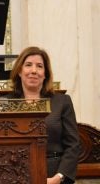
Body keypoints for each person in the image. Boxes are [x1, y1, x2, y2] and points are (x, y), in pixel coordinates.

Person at [7, 46, 80, 184]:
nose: (34, 71)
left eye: (39, 66)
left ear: (45, 73)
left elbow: (73, 145)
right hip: (18, 174)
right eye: (28, 65)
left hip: (54, 175)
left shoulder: (62, 102)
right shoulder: (6, 103)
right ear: (19, 71)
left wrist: (59, 177)